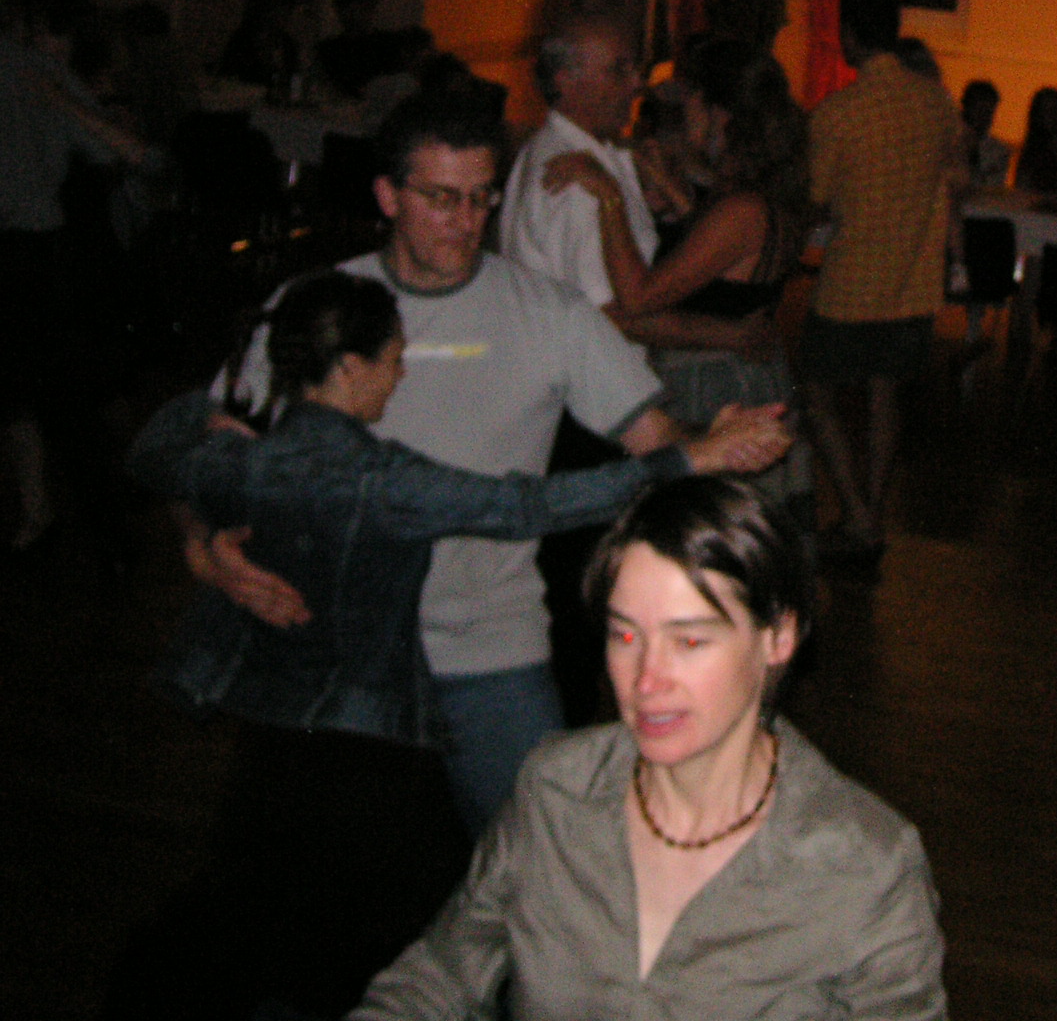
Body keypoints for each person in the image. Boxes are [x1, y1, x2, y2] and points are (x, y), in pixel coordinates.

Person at [107, 271, 769, 1020]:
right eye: (393, 360)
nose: (399, 377)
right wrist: (687, 459)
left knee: (270, 930)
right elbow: (527, 505)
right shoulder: (380, 478)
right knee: (383, 940)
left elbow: (151, 448)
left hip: (266, 743)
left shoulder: (240, 460)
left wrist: (208, 435)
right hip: (362, 748)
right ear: (350, 368)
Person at [195, 89, 789, 834]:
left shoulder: (548, 312)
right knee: (323, 861)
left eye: (482, 198)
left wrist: (715, 441)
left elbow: (657, 441)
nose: (467, 221)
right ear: (388, 196)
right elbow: (212, 450)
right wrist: (204, 547)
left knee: (538, 851)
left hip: (487, 649)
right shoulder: (315, 306)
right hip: (333, 650)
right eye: (442, 198)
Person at [352, 478, 947, 1019]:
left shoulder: (866, 866)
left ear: (778, 637)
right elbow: (439, 977)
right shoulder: (556, 790)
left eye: (689, 641)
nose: (645, 680)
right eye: (625, 635)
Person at [544, 50, 813, 513]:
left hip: (715, 389)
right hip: (733, 372)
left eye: (691, 101)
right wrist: (669, 187)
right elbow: (716, 267)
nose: (684, 112)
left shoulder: (743, 208)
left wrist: (608, 196)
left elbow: (639, 298)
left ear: (719, 115)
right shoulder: (755, 195)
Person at [801, 0, 961, 573]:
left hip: (851, 285)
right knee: (883, 398)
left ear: (849, 33)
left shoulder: (837, 114)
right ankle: (871, 515)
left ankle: (857, 515)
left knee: (816, 394)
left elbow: (817, 198)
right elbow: (952, 175)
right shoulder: (937, 104)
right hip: (913, 283)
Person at [1, 0, 151, 551]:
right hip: (53, 248)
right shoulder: (43, 81)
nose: (38, 40)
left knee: (67, 390)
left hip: (66, 252)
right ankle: (59, 511)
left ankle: (103, 508)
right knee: (45, 392)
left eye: (47, 31)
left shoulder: (55, 84)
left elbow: (123, 160)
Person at [500, 12, 659, 308]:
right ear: (567, 82)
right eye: (619, 70)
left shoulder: (566, 148)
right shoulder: (574, 180)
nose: (637, 83)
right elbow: (605, 314)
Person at [1013, 86, 1057, 195]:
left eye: (1056, 109)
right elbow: (1022, 188)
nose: (1054, 116)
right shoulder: (1033, 154)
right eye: (1047, 112)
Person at [959, 79, 1011, 190]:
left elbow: (995, 186)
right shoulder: (948, 141)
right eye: (979, 110)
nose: (983, 116)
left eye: (988, 111)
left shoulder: (998, 151)